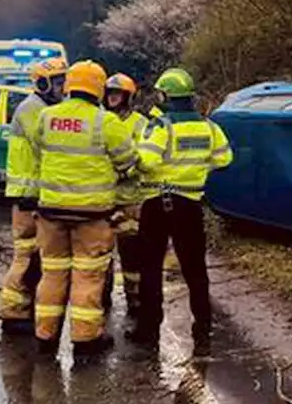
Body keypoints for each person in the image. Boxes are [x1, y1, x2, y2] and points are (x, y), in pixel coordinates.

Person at [32, 59, 137, 359]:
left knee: (52, 273)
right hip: (92, 216)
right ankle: (85, 340)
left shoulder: (46, 116)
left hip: (51, 212)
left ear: (69, 85)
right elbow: (127, 162)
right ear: (99, 89)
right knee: (87, 277)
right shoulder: (107, 123)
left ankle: (45, 337)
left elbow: (40, 152)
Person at [131, 68, 233, 353]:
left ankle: (148, 329)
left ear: (165, 95)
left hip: (157, 203)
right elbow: (224, 158)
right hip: (190, 205)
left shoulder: (161, 126)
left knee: (150, 268)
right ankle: (202, 325)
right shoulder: (208, 126)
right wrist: (197, 168)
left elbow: (147, 161)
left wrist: (133, 161)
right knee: (195, 270)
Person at [0, 56, 68, 334]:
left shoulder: (44, 108)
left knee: (33, 257)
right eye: (58, 81)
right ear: (42, 83)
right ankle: (14, 312)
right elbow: (49, 146)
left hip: (34, 194)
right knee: (26, 257)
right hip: (28, 196)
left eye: (65, 80)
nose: (63, 87)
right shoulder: (32, 110)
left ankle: (22, 310)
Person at [102, 73, 151, 322]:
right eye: (109, 92)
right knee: (100, 253)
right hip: (104, 199)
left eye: (117, 93)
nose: (112, 97)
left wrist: (124, 171)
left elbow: (144, 158)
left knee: (131, 253)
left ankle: (135, 298)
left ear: (128, 97)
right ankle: (102, 297)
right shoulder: (101, 121)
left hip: (131, 199)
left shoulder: (141, 124)